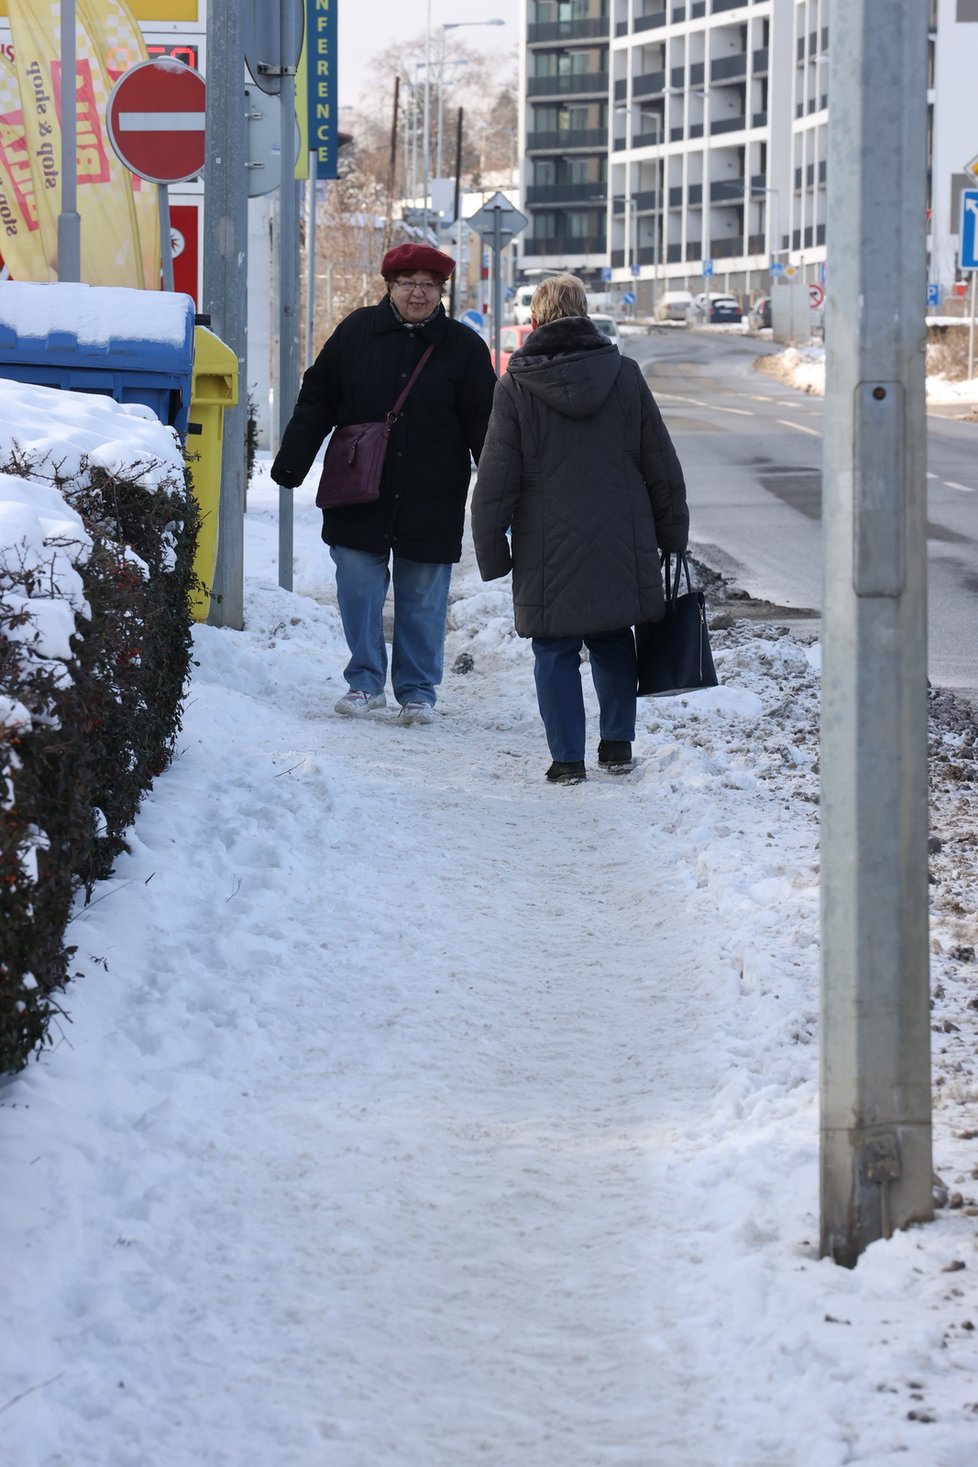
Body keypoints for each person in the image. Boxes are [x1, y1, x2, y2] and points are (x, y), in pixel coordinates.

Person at [471, 273, 689, 784]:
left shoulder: (516, 385)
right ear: (587, 312)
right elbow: (661, 462)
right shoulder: (625, 374)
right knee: (614, 637)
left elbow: (495, 478)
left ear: (535, 319)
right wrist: (672, 533)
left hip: (544, 543)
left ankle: (567, 759)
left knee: (553, 648)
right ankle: (616, 746)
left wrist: (491, 551)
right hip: (622, 533)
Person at [270, 244, 496, 724]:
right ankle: (365, 682)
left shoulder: (464, 347)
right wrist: (293, 461)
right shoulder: (356, 333)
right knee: (357, 589)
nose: (418, 292)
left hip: (432, 495)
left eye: (429, 285)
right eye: (408, 283)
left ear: (441, 292)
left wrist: (502, 490)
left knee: (422, 598)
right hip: (359, 490)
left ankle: (417, 691)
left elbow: (486, 425)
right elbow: (318, 398)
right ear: (389, 286)